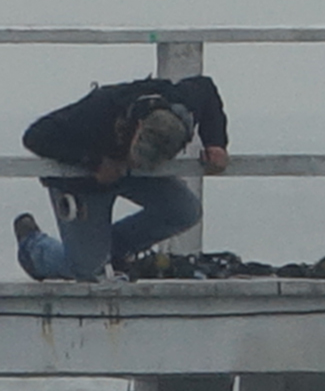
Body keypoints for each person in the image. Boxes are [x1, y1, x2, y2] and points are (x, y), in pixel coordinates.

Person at [15, 75, 230, 281]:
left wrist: (216, 142)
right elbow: (35, 136)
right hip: (85, 178)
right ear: (138, 127)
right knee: (87, 269)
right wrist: (94, 162)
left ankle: (110, 252)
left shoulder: (183, 101)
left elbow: (206, 87)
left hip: (134, 174)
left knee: (184, 211)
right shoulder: (97, 111)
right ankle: (33, 249)